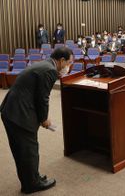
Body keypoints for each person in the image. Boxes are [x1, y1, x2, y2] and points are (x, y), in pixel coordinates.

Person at [0, 47, 73, 194]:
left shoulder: (44, 64)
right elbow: (42, 98)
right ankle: (32, 184)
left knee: (22, 150)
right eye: (69, 63)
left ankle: (31, 178)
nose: (69, 67)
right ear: (62, 60)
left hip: (12, 111)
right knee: (29, 151)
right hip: (20, 114)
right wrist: (44, 119)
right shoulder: (50, 70)